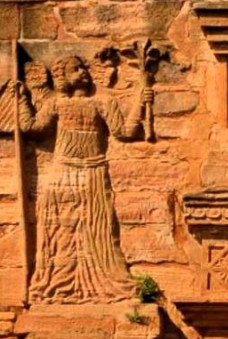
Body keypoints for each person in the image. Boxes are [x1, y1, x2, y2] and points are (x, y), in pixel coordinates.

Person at [10, 56, 151, 303]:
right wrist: (21, 99)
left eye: (84, 67)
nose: (83, 71)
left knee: (99, 229)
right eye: (75, 69)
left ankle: (102, 283)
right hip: (64, 171)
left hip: (93, 172)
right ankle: (56, 283)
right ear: (62, 77)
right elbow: (31, 128)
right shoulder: (56, 104)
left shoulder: (103, 103)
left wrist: (140, 99)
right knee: (61, 231)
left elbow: (124, 132)